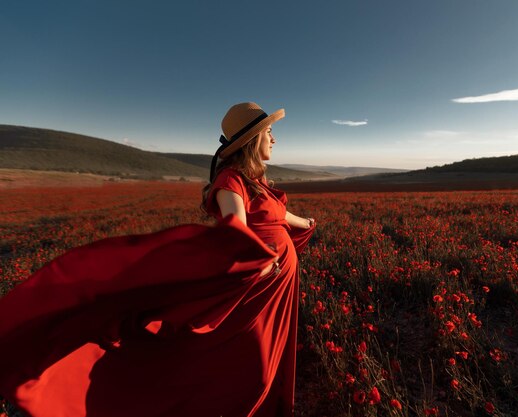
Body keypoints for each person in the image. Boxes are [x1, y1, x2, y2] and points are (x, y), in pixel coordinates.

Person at [0, 102, 315, 417]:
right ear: (253, 139)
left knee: (266, 364)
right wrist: (259, 263)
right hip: (254, 292)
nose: (274, 139)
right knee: (249, 367)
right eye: (270, 132)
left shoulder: (255, 181)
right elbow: (236, 228)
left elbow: (279, 214)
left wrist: (305, 223)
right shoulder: (230, 180)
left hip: (273, 291)